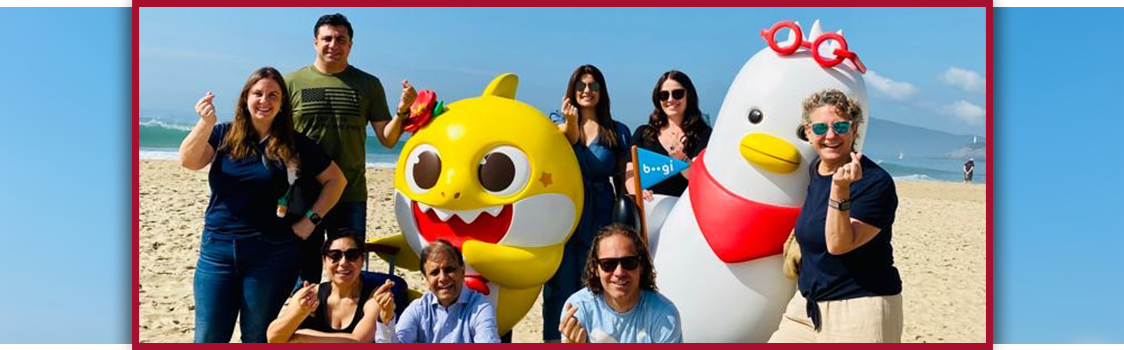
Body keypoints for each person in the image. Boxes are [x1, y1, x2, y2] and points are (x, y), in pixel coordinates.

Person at [178, 67, 347, 343]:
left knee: (257, 337)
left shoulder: (295, 144)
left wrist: (310, 221)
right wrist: (205, 124)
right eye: (257, 94)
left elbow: (336, 181)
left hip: (271, 255)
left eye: (273, 95)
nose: (264, 101)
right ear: (246, 98)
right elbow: (188, 161)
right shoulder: (223, 135)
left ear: (282, 104)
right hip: (217, 251)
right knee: (208, 337)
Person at [285, 13, 418, 289]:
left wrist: (403, 110)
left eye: (341, 39)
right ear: (315, 42)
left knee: (347, 270)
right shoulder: (292, 83)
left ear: (351, 45)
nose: (333, 44)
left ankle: (345, 329)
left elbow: (388, 138)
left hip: (350, 194)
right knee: (303, 274)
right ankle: (304, 328)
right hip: (303, 195)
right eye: (327, 38)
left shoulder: (367, 84)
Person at [768, 89, 903, 343]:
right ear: (808, 132)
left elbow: (839, 244)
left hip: (860, 308)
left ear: (854, 130)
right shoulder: (815, 170)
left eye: (840, 126)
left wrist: (840, 190)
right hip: (807, 306)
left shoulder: (874, 182)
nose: (830, 135)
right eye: (820, 128)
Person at [544, 64, 633, 342]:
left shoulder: (616, 131)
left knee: (597, 281)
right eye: (581, 86)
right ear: (571, 91)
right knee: (560, 283)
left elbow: (626, 177)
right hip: (566, 213)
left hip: (602, 214)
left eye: (593, 86)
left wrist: (637, 200)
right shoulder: (557, 124)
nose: (587, 91)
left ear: (601, 92)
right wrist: (570, 124)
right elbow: (556, 145)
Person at [558, 224, 682, 343]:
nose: (619, 272)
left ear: (641, 266)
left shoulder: (663, 314)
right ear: (596, 269)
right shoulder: (579, 308)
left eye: (628, 262)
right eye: (608, 264)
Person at [266, 230, 397, 343]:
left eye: (352, 255)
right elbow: (273, 338)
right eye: (335, 256)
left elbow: (358, 342)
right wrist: (299, 313)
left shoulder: (375, 298)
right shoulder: (310, 294)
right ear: (324, 261)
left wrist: (303, 337)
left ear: (362, 260)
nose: (343, 262)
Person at [378, 240, 500, 343]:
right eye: (435, 272)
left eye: (449, 269)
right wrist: (386, 321)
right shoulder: (418, 308)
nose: (443, 278)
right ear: (425, 280)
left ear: (462, 272)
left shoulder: (480, 307)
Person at [625, 70, 713, 199]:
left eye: (677, 94)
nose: (670, 99)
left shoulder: (703, 134)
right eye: (664, 95)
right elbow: (630, 172)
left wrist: (682, 160)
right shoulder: (643, 134)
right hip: (650, 210)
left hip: (686, 211)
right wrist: (638, 193)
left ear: (688, 95)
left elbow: (699, 179)